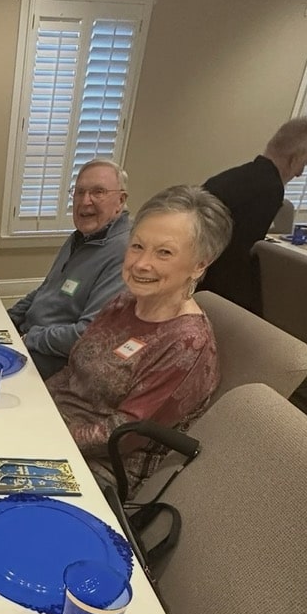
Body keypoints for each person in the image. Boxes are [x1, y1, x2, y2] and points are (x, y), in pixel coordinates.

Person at [48, 185, 233, 495]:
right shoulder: (124, 302)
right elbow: (72, 373)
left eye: (164, 252)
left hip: (98, 470)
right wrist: (33, 404)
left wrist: (45, 433)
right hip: (55, 425)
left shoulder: (187, 344)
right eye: (137, 246)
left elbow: (121, 435)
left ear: (200, 264)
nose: (141, 263)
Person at [9, 160, 130, 379]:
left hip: (55, 363)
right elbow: (46, 289)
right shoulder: (82, 237)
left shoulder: (124, 253)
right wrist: (8, 319)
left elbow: (89, 335)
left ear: (120, 201)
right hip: (31, 338)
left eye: (98, 192)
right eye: (80, 192)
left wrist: (30, 338)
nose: (85, 201)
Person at [199, 116, 307, 312]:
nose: (300, 173)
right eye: (305, 164)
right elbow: (240, 254)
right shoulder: (270, 188)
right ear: (295, 158)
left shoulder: (236, 176)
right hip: (214, 287)